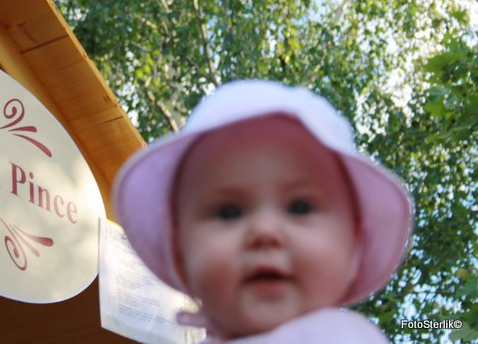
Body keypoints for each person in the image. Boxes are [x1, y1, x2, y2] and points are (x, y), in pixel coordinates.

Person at [113, 80, 413, 343]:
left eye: (300, 207)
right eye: (229, 212)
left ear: (355, 246)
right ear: (179, 253)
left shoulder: (340, 337)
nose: (265, 231)